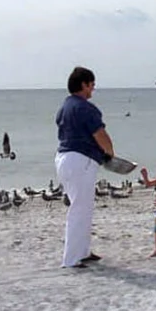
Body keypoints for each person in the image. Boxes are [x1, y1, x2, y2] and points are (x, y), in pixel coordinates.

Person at [55, 66, 116, 268]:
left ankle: (82, 251)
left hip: (64, 159)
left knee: (83, 207)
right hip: (80, 160)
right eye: (92, 85)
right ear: (84, 84)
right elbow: (101, 136)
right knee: (80, 209)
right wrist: (110, 154)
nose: (93, 89)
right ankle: (71, 259)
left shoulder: (64, 107)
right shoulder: (86, 108)